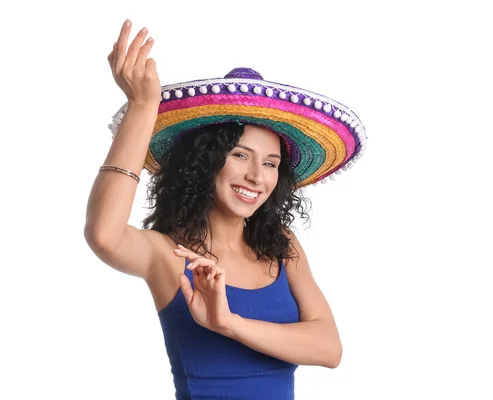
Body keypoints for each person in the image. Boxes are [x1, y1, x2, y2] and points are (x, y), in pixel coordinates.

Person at [85, 19, 366, 400]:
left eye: (270, 163)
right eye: (239, 155)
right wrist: (142, 106)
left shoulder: (282, 245)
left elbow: (328, 348)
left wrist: (229, 323)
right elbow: (104, 234)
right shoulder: (168, 256)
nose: (256, 176)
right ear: (205, 162)